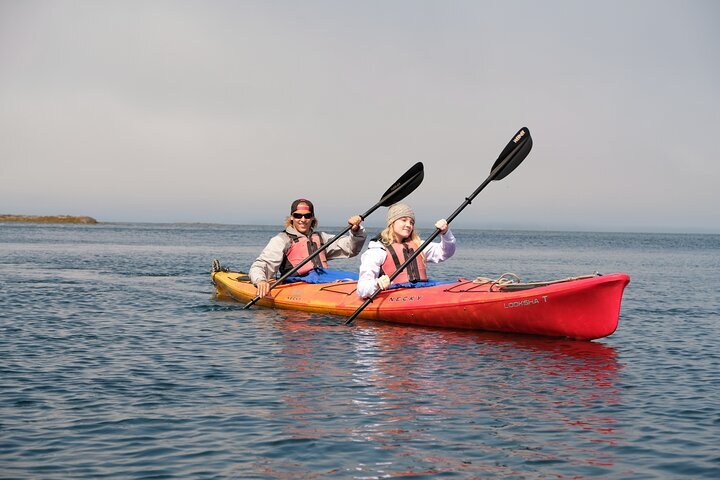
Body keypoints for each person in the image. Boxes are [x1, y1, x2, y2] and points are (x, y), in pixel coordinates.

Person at [249, 198, 367, 298]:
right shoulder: (282, 240)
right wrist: (260, 280)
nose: (303, 220)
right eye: (298, 216)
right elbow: (261, 265)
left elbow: (351, 248)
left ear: (312, 218)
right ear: (291, 218)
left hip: (322, 278)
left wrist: (356, 230)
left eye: (307, 216)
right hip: (296, 283)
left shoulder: (321, 238)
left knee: (358, 279)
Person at [356, 202, 456, 298]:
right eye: (404, 220)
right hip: (393, 296)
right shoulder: (377, 250)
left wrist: (445, 233)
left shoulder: (418, 245)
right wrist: (377, 283)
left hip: (421, 292)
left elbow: (446, 252)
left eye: (411, 222)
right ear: (392, 222)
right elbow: (362, 289)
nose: (409, 225)